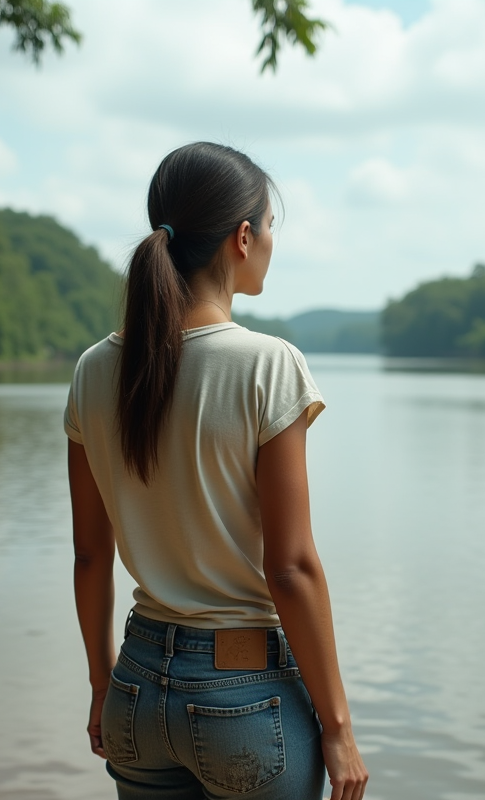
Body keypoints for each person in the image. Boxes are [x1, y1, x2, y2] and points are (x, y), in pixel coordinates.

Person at [64, 142, 368, 800]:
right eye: (270, 227)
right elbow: (290, 568)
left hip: (135, 688)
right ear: (242, 236)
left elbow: (91, 556)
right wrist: (339, 727)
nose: (270, 243)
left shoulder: (94, 369)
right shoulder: (268, 364)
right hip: (246, 695)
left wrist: (101, 685)